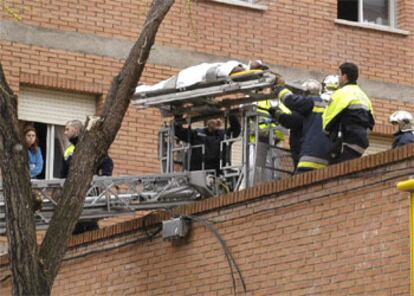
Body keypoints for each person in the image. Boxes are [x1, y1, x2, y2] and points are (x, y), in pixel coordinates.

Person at [272, 79, 333, 173]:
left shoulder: (310, 103)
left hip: (308, 156)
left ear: (305, 92)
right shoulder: (325, 106)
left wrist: (280, 89)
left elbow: (291, 104)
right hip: (325, 158)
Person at [322, 62, 375, 163]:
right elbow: (371, 123)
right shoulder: (364, 96)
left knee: (336, 173)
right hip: (361, 143)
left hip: (344, 142)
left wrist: (327, 134)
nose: (338, 77)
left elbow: (328, 120)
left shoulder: (340, 94)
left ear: (344, 76)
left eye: (339, 74)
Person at [174, 114, 241, 175]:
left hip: (218, 174)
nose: (212, 120)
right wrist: (178, 115)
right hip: (198, 174)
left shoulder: (223, 134)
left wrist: (230, 113)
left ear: (219, 121)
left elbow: (236, 130)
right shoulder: (197, 133)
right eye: (211, 118)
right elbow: (178, 131)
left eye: (215, 117)